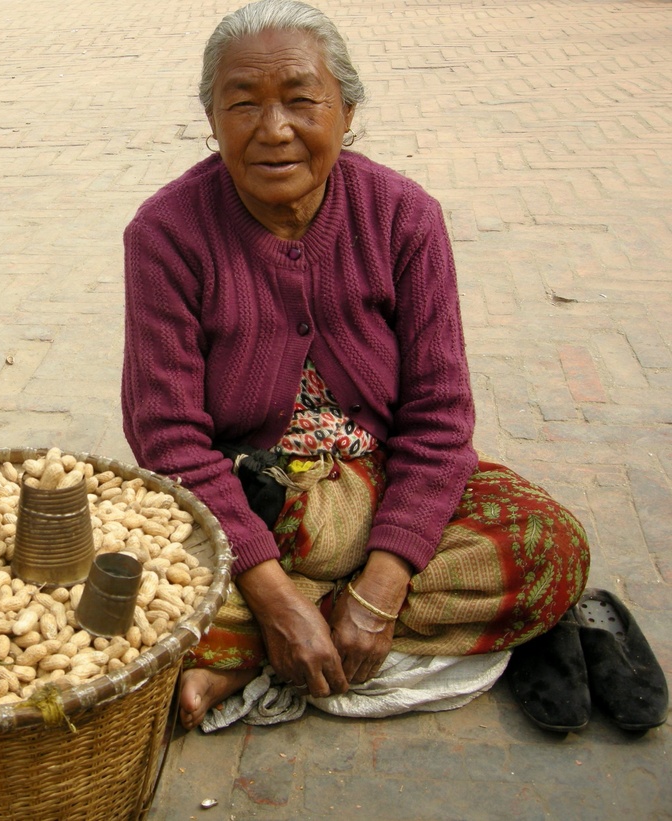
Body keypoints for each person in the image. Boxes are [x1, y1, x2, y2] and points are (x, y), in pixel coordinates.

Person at [121, 0, 590, 731]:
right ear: (211, 119)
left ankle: (251, 647)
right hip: (257, 501)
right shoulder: (165, 233)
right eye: (242, 104)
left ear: (347, 110)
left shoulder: (405, 216)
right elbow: (169, 439)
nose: (274, 130)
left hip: (382, 473)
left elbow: (439, 420)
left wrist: (384, 581)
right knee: (122, 595)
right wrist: (272, 589)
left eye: (301, 101)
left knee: (549, 544)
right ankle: (294, 621)